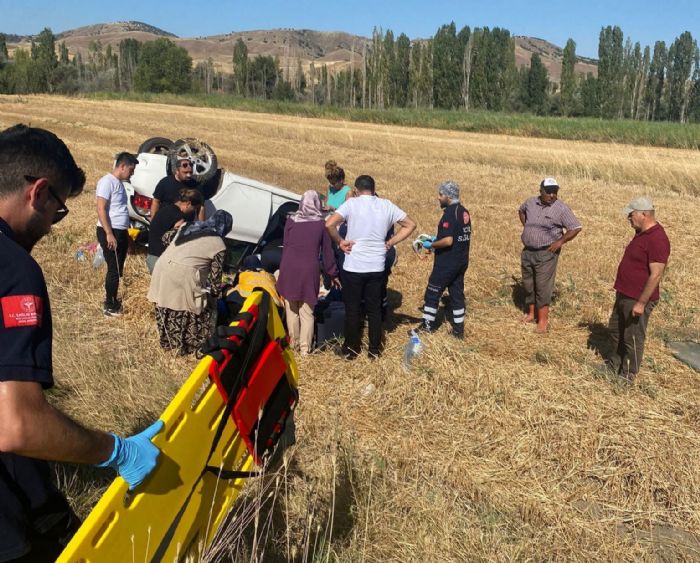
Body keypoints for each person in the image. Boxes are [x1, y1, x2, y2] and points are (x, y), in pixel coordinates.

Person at [0, 124, 162, 562]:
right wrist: (115, 450)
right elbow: (16, 424)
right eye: (58, 211)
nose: (52, 226)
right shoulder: (14, 270)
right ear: (38, 192)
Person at [326, 175, 416, 359]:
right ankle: (374, 350)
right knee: (374, 310)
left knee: (352, 309)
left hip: (353, 266)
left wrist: (340, 242)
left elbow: (329, 224)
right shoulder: (386, 205)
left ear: (357, 190)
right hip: (376, 266)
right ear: (374, 190)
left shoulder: (352, 204)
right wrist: (390, 242)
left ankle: (351, 350)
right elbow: (410, 224)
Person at [148, 210, 232, 355]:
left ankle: (168, 342)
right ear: (225, 228)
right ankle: (187, 346)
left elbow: (165, 238)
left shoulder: (189, 226)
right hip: (184, 275)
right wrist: (215, 294)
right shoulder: (219, 244)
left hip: (162, 266)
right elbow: (215, 278)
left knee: (167, 302)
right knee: (196, 308)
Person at [605, 197, 670, 381]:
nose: (628, 218)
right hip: (625, 294)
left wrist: (641, 303)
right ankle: (613, 366)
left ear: (644, 214)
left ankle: (627, 375)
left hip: (637, 298)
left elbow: (656, 274)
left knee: (632, 337)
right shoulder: (641, 233)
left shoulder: (658, 239)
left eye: (631, 214)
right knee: (616, 331)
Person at [277, 190, 339, 355]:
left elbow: (286, 245)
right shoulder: (321, 225)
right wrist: (332, 273)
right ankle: (305, 350)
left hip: (289, 267)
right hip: (308, 269)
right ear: (317, 204)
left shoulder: (291, 221)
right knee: (307, 312)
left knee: (292, 309)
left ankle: (293, 346)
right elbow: (327, 253)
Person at [518, 177, 582, 333]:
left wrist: (560, 242)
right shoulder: (530, 202)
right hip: (527, 251)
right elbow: (521, 210)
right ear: (540, 191)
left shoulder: (561, 208)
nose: (552, 195)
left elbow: (575, 227)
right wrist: (528, 227)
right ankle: (531, 314)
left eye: (555, 192)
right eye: (549, 192)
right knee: (529, 284)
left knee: (542, 287)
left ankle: (542, 321)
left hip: (546, 253)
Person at [418, 181, 472, 338]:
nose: (438, 198)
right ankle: (458, 331)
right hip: (461, 260)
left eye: (440, 195)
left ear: (448, 196)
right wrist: (438, 237)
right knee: (456, 295)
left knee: (432, 292)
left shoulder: (449, 213)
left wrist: (432, 244)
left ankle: (427, 326)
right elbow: (458, 235)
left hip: (447, 262)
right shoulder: (463, 212)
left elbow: (448, 240)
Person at [96, 152, 138, 316]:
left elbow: (121, 211)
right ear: (122, 166)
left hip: (120, 231)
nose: (132, 174)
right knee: (113, 269)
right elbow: (101, 208)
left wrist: (128, 239)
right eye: (131, 170)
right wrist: (108, 233)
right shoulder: (107, 182)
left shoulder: (119, 184)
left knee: (118, 269)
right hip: (110, 231)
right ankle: (109, 305)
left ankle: (113, 298)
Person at [146, 188, 203, 273]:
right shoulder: (178, 218)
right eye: (194, 208)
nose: (193, 211)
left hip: (152, 256)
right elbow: (177, 239)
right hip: (161, 260)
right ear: (188, 204)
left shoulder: (166, 209)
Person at [150, 156, 204, 221]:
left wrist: (202, 225)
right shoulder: (165, 182)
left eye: (190, 172)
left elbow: (200, 207)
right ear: (177, 171)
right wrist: (154, 221)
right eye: (185, 172)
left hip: (185, 224)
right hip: (166, 222)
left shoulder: (195, 185)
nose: (189, 175)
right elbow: (156, 202)